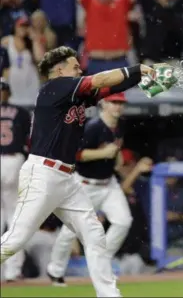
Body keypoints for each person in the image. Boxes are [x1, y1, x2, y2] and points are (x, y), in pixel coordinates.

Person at [0, 46, 155, 297]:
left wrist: (142, 77)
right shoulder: (55, 87)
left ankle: (109, 295)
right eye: (74, 65)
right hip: (43, 174)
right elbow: (101, 79)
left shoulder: (73, 94)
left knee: (94, 236)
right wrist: (137, 68)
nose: (79, 68)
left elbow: (108, 88)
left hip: (67, 179)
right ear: (59, 70)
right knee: (16, 239)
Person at [46, 92, 133, 286]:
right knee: (71, 231)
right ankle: (55, 270)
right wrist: (103, 153)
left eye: (120, 103)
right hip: (85, 184)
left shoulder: (120, 125)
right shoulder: (93, 127)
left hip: (108, 184)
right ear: (104, 104)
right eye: (114, 102)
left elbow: (116, 151)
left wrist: (116, 158)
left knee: (123, 221)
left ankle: (102, 264)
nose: (118, 106)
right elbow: (75, 154)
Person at [0, 80, 31, 282]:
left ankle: (10, 271)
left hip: (7, 160)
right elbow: (30, 141)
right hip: (14, 161)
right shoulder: (21, 112)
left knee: (8, 217)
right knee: (15, 217)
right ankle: (12, 271)